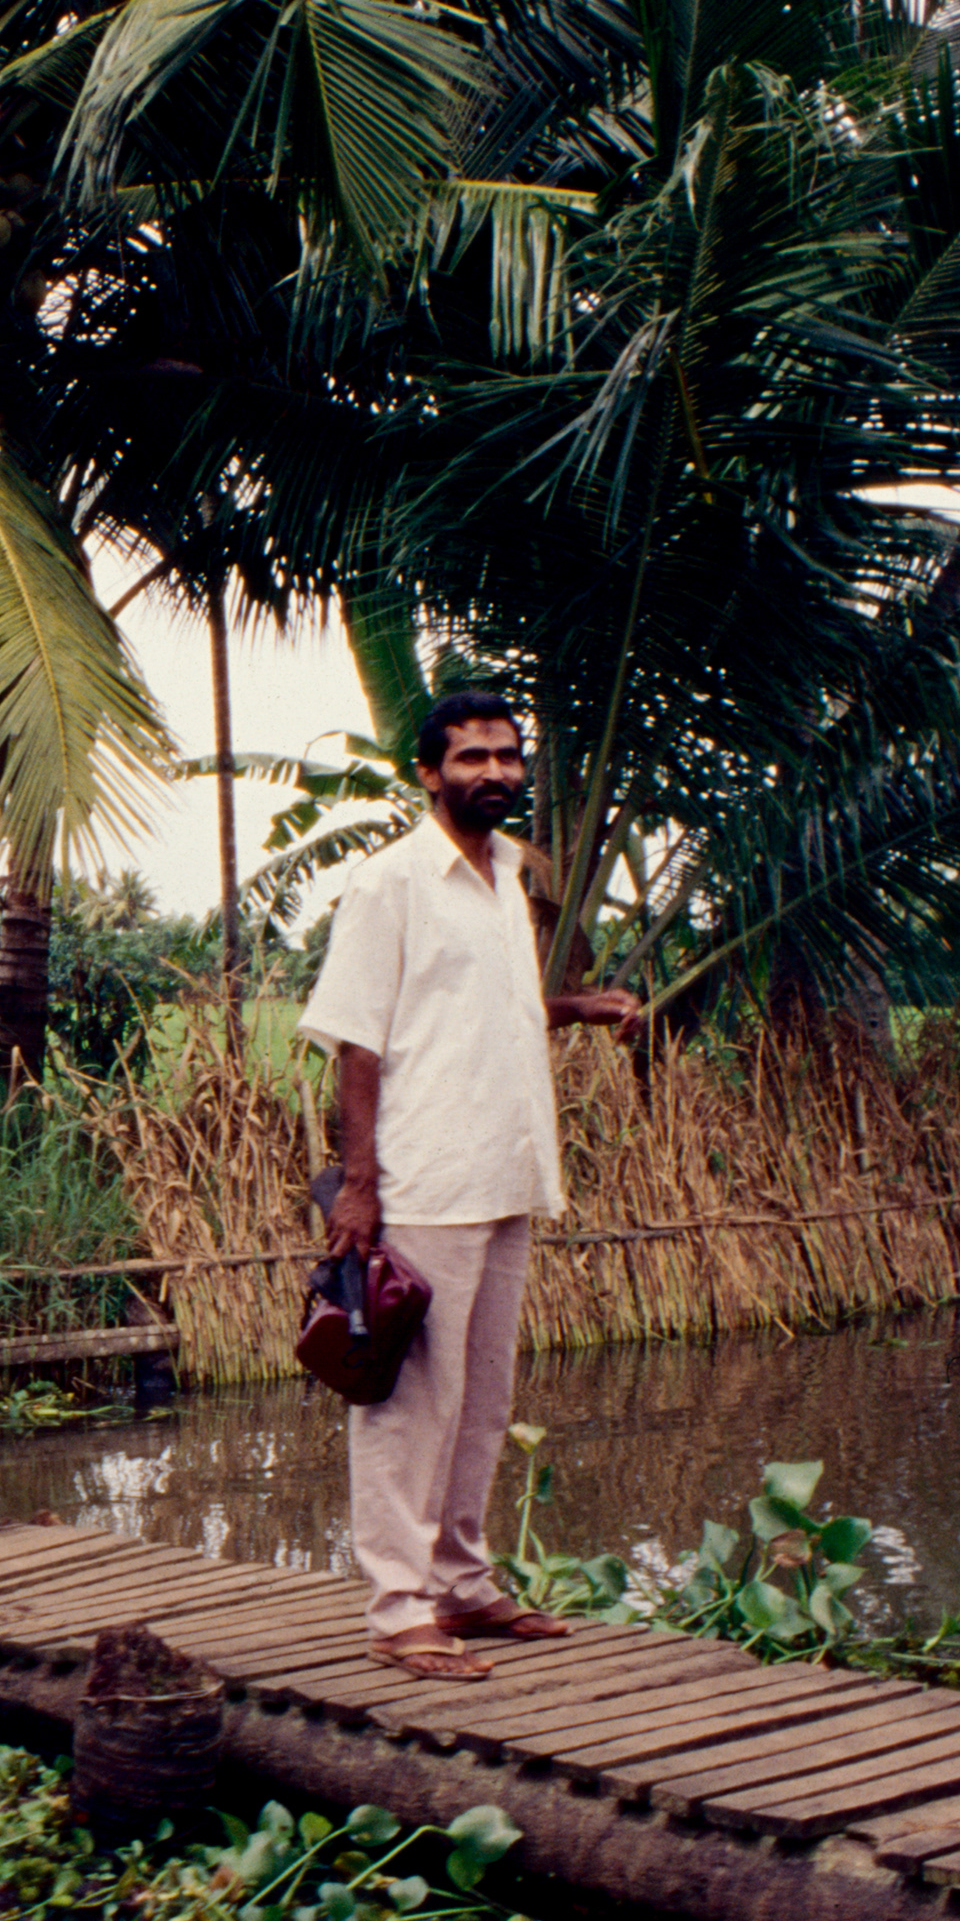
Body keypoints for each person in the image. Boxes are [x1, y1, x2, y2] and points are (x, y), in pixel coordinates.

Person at [299, 689, 640, 1681]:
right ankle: (399, 1605)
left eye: (506, 755)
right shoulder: (391, 882)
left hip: (507, 1171)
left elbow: (486, 1007)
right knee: (411, 1402)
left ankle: (461, 1578)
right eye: (471, 757)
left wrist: (576, 1007)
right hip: (424, 1178)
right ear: (427, 772)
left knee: (483, 1396)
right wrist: (359, 1187)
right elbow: (358, 1039)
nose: (493, 771)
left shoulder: (502, 876)